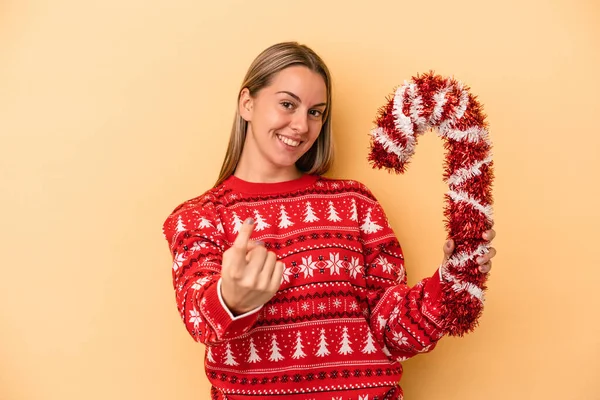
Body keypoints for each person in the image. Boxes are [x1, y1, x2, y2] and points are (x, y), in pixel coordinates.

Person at [162, 42, 496, 400]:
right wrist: (232, 298)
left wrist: (449, 283)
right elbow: (199, 320)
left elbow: (393, 334)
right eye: (287, 104)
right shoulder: (198, 218)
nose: (301, 125)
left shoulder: (355, 204)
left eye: (316, 112)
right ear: (247, 103)